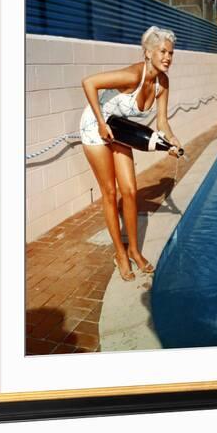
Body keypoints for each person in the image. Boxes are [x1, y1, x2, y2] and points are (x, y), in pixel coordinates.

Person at [79, 26, 181, 282]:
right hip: (96, 126)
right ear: (148, 53)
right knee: (110, 193)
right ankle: (120, 255)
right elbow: (89, 83)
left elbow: (162, 123)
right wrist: (101, 123)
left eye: (170, 52)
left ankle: (134, 250)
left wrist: (173, 140)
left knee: (130, 191)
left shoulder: (162, 82)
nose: (167, 56)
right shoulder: (133, 75)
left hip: (119, 128)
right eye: (162, 51)